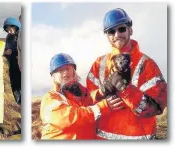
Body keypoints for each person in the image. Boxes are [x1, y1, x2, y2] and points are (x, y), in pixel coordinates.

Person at [86, 8, 167, 140]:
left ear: (130, 29)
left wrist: (126, 90)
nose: (117, 34)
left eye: (121, 29)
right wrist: (101, 92)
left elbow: (157, 108)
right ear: (107, 35)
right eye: (111, 31)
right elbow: (87, 100)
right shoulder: (99, 64)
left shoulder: (148, 65)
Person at [40, 53, 124, 139]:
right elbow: (70, 118)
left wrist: (102, 92)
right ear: (54, 76)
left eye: (68, 68)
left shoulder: (83, 92)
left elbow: (90, 99)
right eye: (60, 70)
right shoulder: (50, 98)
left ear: (73, 71)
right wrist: (102, 107)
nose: (65, 72)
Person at [3, 17, 22, 105]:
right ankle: (18, 103)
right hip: (12, 63)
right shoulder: (8, 37)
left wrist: (13, 51)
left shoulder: (21, 35)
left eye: (10, 29)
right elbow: (6, 48)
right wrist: (6, 52)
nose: (9, 31)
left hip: (20, 63)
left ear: (15, 27)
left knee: (22, 84)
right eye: (7, 30)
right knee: (14, 84)